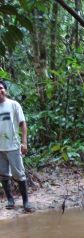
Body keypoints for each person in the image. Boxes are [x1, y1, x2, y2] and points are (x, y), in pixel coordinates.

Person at [0, 80, 32, 212]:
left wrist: (24, 143)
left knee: (19, 174)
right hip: (0, 148)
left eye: (1, 88)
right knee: (3, 175)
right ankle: (10, 200)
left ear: (5, 90)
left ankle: (25, 202)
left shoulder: (13, 105)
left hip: (13, 146)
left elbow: (23, 124)